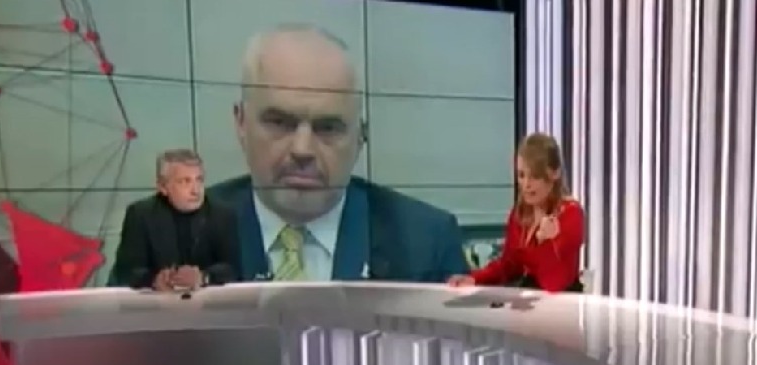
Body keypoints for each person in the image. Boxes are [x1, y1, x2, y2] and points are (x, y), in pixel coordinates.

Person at [208, 23, 468, 282]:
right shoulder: (190, 229)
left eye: (328, 128)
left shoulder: (428, 243)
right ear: (241, 122)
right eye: (279, 122)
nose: (302, 150)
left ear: (360, 137)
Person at [448, 133, 585, 292]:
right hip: (529, 295)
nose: (526, 184)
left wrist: (547, 241)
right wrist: (474, 279)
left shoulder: (571, 214)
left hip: (562, 300)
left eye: (535, 176)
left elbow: (553, 284)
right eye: (521, 175)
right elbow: (508, 266)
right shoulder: (520, 214)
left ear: (555, 173)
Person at [109, 149, 240, 290]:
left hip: (210, 302)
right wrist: (154, 280)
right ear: (163, 187)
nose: (196, 190)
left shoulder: (222, 215)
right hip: (155, 301)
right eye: (185, 181)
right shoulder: (140, 215)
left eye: (199, 180)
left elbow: (234, 269)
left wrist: (204, 277)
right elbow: (127, 271)